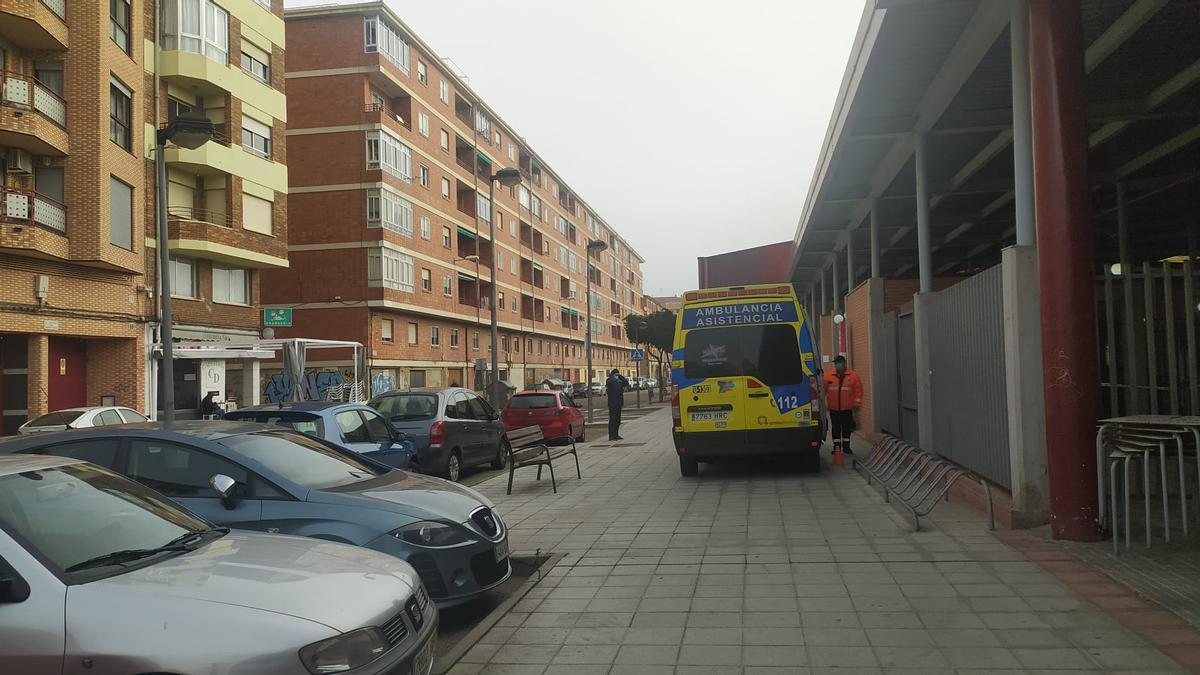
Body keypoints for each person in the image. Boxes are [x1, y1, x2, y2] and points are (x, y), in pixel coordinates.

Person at [823, 355, 862, 455]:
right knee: (835, 428)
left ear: (844, 363)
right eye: (836, 363)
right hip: (834, 408)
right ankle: (836, 448)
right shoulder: (828, 376)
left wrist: (856, 404)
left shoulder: (852, 376)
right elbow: (822, 390)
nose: (838, 365)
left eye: (839, 363)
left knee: (846, 428)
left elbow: (858, 390)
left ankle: (846, 447)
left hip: (847, 408)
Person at [606, 368, 630, 441]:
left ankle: (616, 435)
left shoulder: (619, 381)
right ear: (613, 374)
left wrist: (620, 376)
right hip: (612, 403)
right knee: (612, 420)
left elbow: (626, 383)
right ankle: (611, 436)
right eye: (616, 374)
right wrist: (613, 377)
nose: (617, 376)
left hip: (619, 402)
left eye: (617, 375)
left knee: (618, 420)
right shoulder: (609, 380)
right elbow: (610, 385)